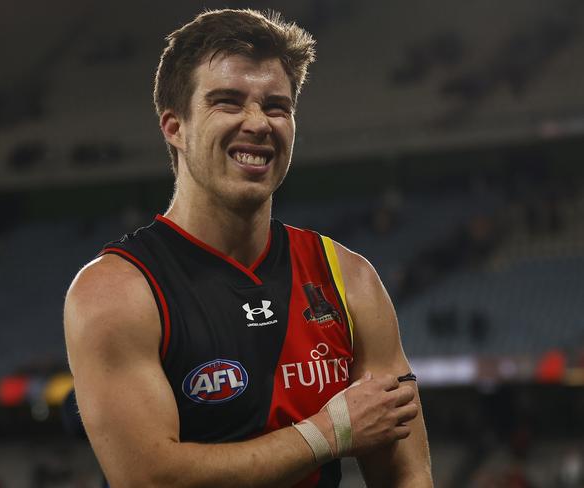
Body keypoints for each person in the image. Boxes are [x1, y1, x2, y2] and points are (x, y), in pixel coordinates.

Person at [64, 9, 433, 488]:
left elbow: (407, 475)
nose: (258, 123)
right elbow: (151, 479)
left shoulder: (349, 278)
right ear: (174, 127)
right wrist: (330, 434)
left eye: (277, 106)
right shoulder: (116, 291)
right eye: (228, 102)